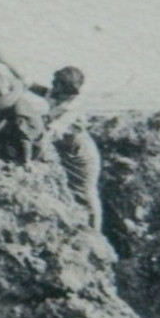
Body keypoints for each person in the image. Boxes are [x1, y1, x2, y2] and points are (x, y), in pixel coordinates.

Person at [35, 66, 104, 233]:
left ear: (65, 86)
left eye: (56, 83)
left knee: (86, 193)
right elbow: (26, 81)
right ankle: (78, 228)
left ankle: (96, 233)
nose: (52, 85)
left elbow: (53, 130)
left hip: (81, 153)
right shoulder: (54, 96)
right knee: (69, 191)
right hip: (65, 150)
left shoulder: (72, 106)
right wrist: (1, 57)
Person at [0, 72, 47, 166]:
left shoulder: (20, 113)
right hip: (16, 129)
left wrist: (27, 161)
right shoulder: (7, 105)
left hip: (32, 142)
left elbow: (25, 139)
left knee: (1, 150)